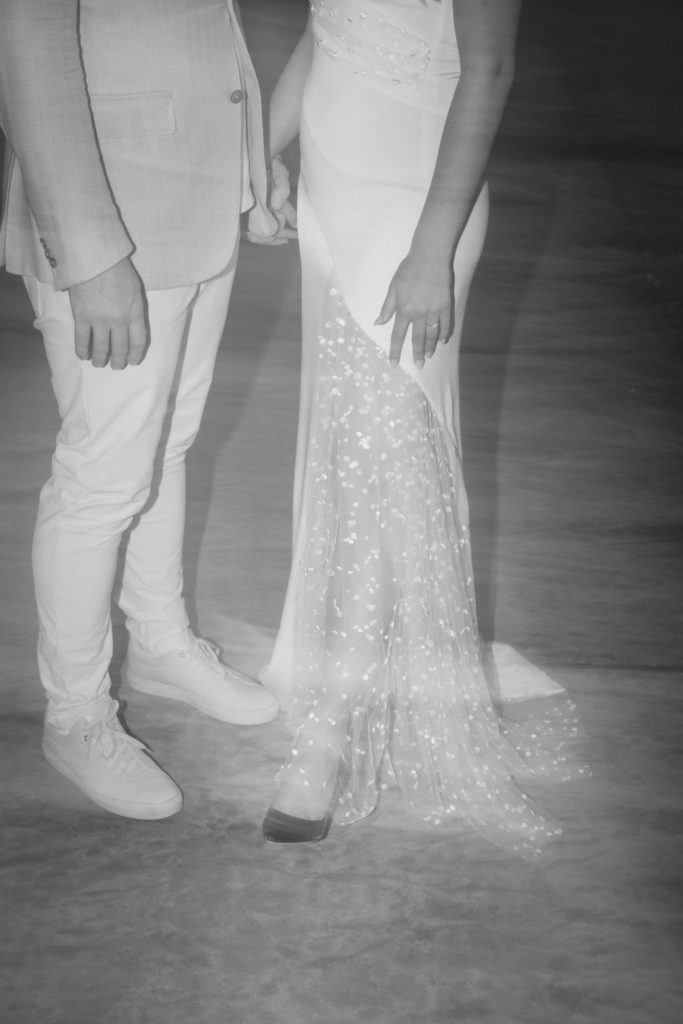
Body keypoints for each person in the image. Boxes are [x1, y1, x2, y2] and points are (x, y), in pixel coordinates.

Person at [255, 0, 584, 853]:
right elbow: (322, 32)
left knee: (384, 466)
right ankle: (338, 675)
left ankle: (327, 736)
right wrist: (256, 158)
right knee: (352, 459)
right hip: (331, 198)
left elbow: (491, 70)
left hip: (411, 212)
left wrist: (432, 248)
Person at [0, 0, 286, 821]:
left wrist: (250, 168)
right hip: (110, 216)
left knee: (168, 444)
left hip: (198, 193)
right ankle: (77, 713)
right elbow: (27, 42)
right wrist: (91, 254)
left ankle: (159, 644)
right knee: (102, 477)